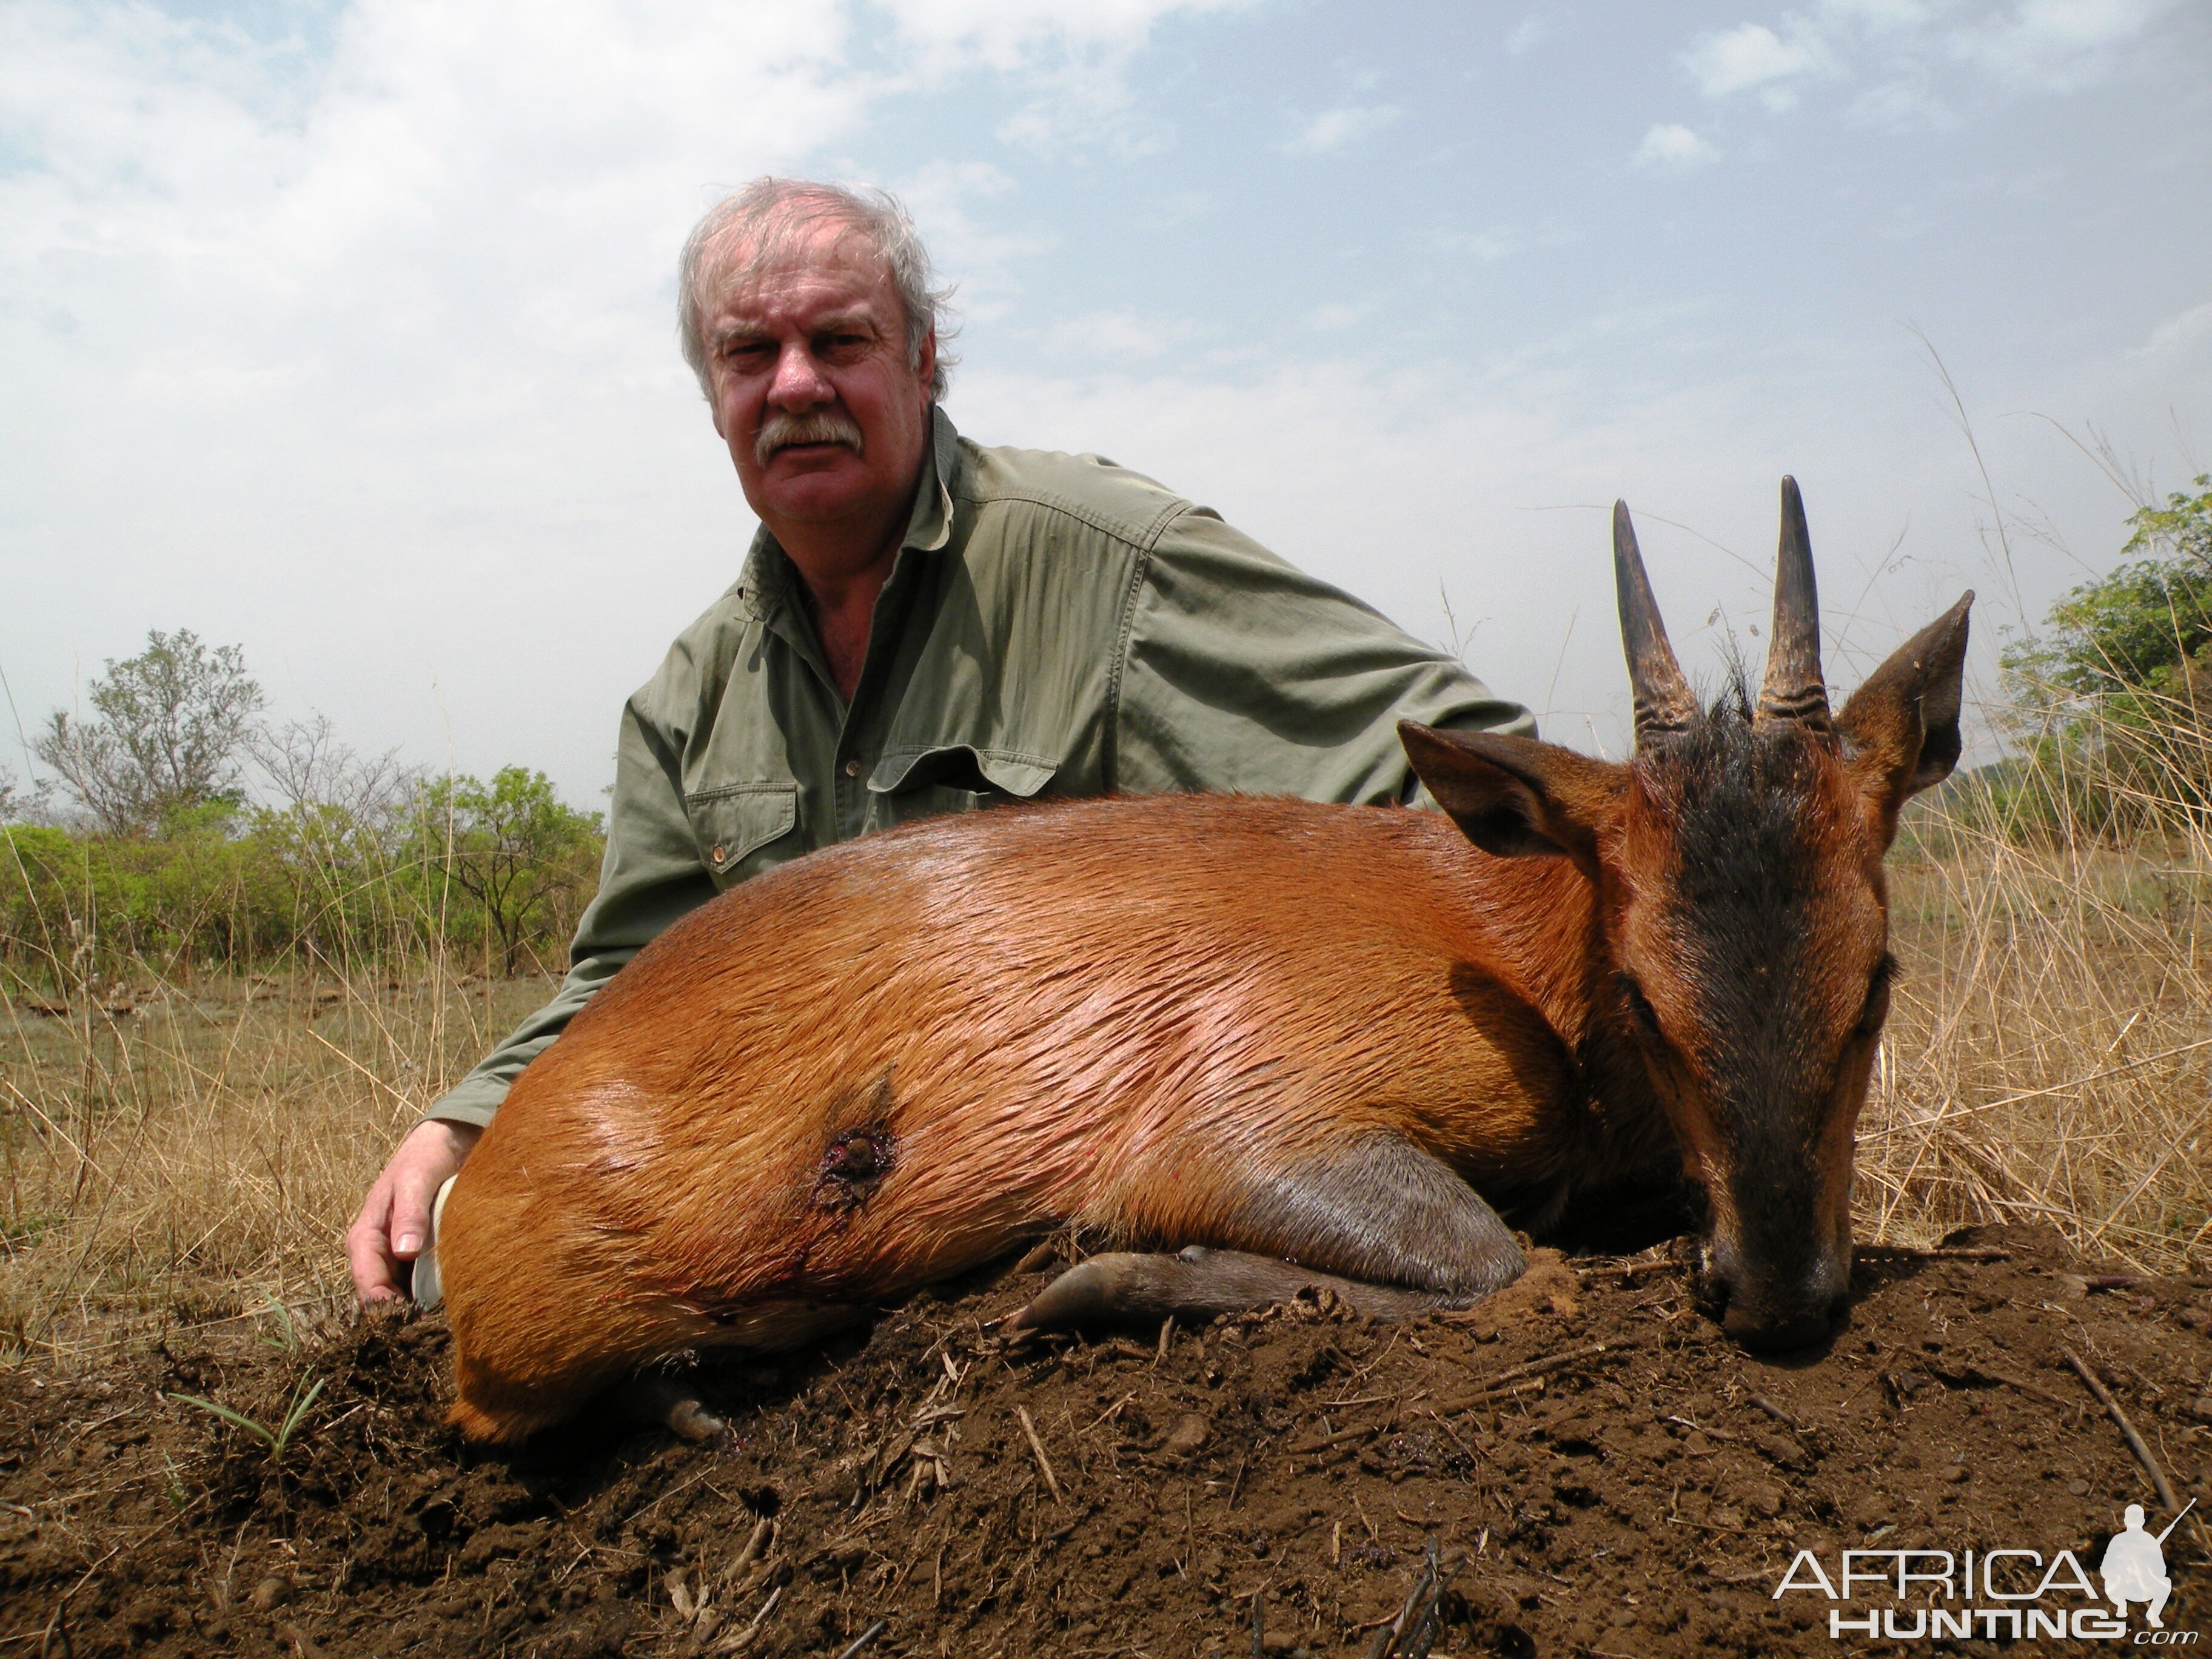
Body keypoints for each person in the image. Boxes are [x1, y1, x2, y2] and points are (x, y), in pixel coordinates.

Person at [346, 178, 1533, 1304]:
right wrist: (460, 1122)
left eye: (841, 341)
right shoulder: (687, 699)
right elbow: (624, 982)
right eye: (751, 354)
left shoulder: (1112, 567)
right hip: (824, 1191)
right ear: (712, 396)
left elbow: (1481, 777)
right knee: (460, 1251)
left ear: (924, 360)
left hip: (1090, 1165)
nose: (796, 384)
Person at [2100, 1504, 2171, 1627]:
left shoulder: (2148, 1540)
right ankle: (2122, 1608)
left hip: (2142, 1587)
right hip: (2121, 1587)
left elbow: (2160, 1569)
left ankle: (2153, 1615)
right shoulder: (2119, 1540)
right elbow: (2106, 1567)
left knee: (2166, 1585)